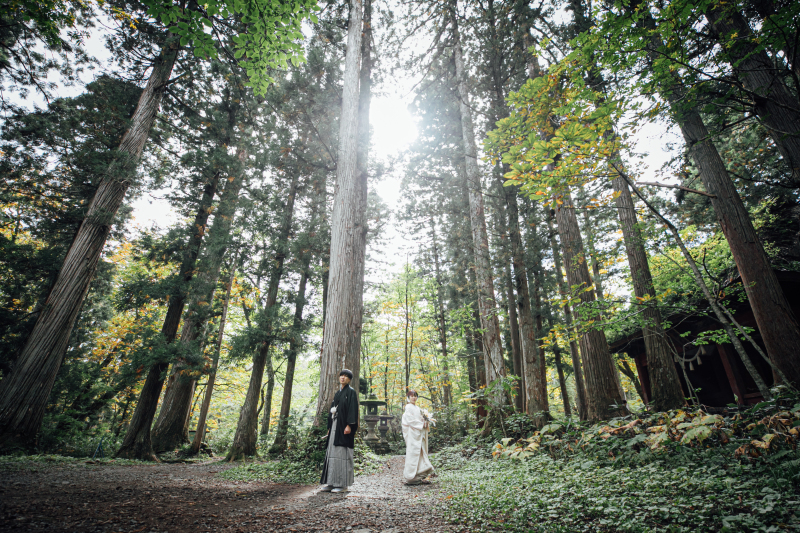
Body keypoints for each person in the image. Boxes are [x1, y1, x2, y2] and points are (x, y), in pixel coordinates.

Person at [320, 369, 359, 493]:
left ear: (349, 380)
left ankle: (343, 485)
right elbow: (333, 410)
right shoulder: (338, 393)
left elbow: (353, 409)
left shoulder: (351, 392)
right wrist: (330, 427)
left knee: (342, 454)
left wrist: (349, 425)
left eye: (346, 376)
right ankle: (331, 482)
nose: (343, 378)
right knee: (332, 454)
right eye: (341, 375)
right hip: (335, 427)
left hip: (344, 427)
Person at [401, 389, 434, 485]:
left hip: (419, 435)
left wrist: (425, 422)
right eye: (412, 396)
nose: (414, 398)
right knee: (412, 454)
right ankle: (410, 477)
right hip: (413, 435)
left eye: (415, 396)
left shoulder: (418, 408)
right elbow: (410, 420)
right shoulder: (408, 407)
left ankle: (418, 476)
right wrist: (421, 424)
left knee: (421, 453)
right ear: (408, 397)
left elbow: (420, 419)